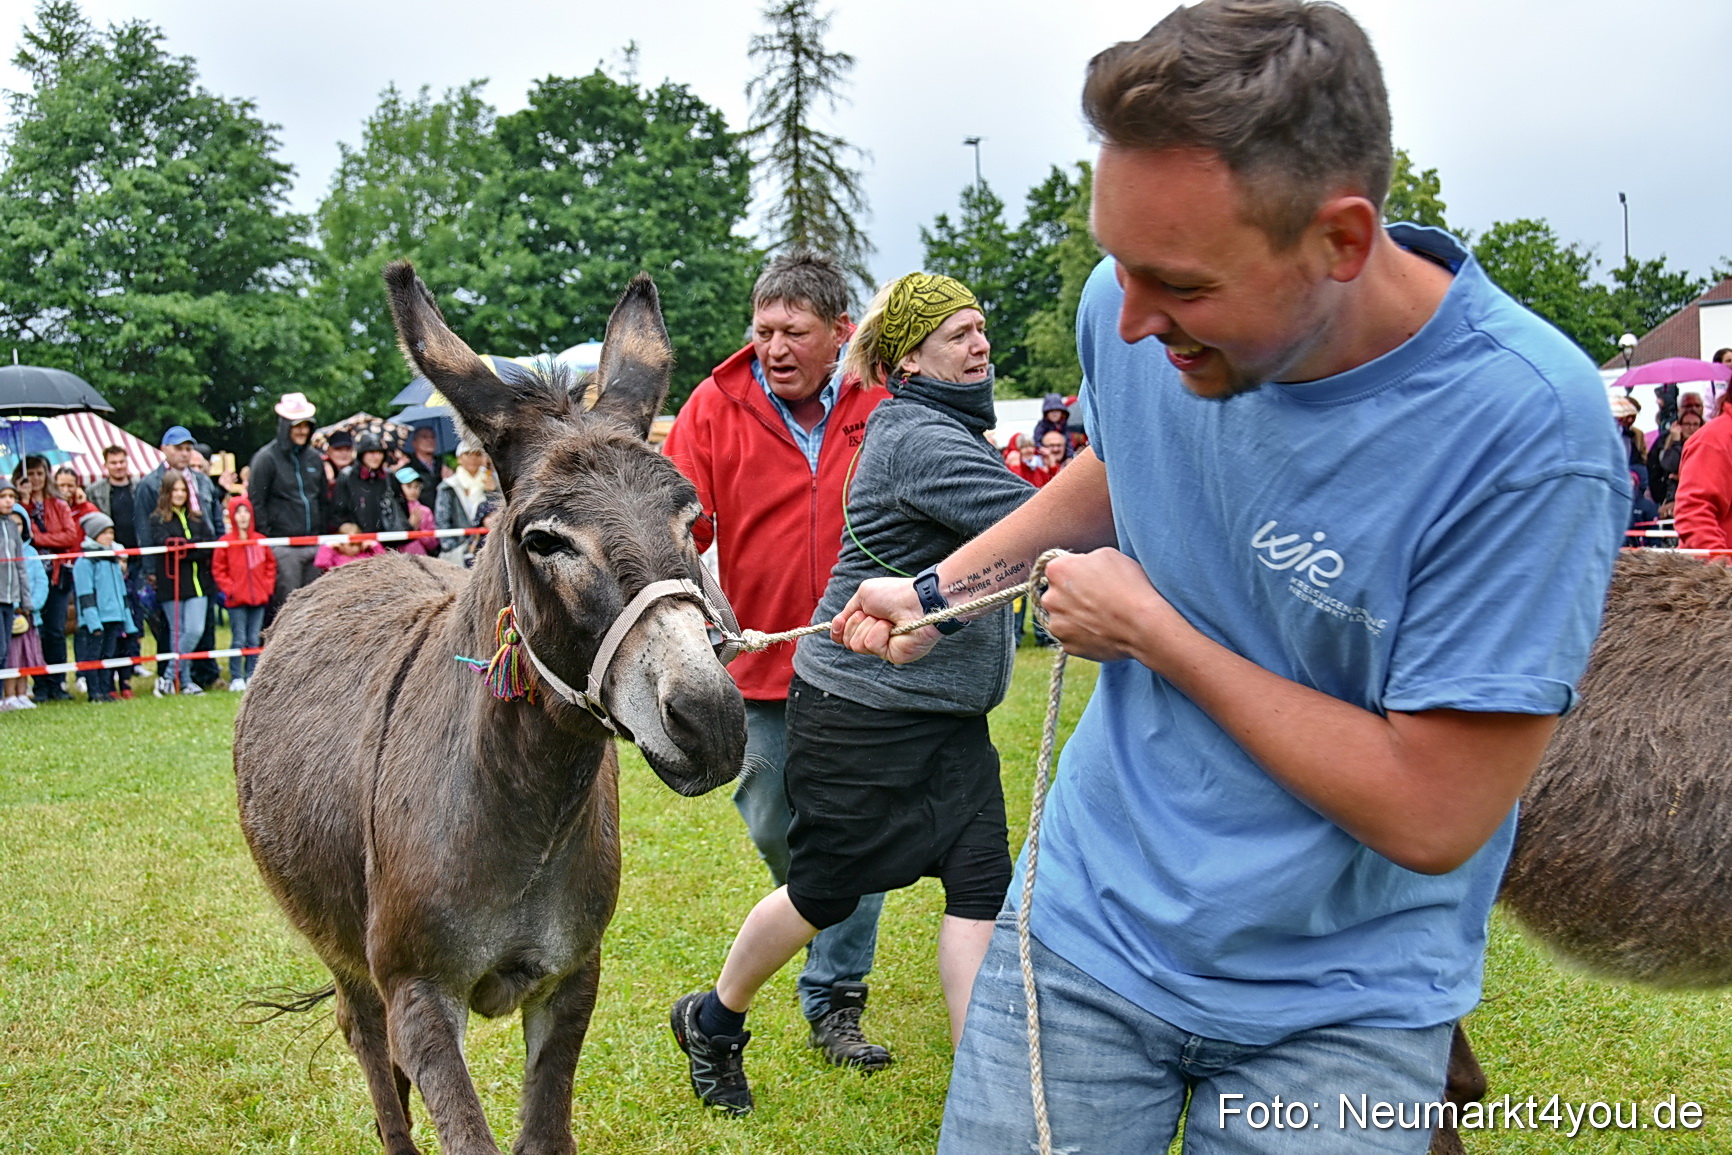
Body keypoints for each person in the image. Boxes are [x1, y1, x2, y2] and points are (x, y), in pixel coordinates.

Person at [832, 6, 1628, 1152]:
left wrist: (1156, 635)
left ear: (1340, 241)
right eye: (1117, 260)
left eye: (1181, 285)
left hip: (1343, 1004)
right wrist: (939, 591)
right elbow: (1125, 462)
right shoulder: (1132, 310)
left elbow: (1432, 810)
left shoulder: (1524, 430)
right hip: (1083, 932)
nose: (1129, 317)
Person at [669, 271, 1035, 1116]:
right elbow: (1042, 524)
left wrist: (941, 613)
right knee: (823, 888)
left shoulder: (924, 426)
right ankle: (713, 1019)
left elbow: (998, 552)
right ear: (909, 360)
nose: (980, 344)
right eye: (958, 334)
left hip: (943, 717)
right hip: (858, 711)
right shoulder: (922, 440)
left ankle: (984, 1093)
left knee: (981, 884)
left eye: (980, 328)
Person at [661, 250, 895, 1072]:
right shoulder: (714, 406)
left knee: (858, 831)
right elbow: (676, 526)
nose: (774, 346)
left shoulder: (882, 401)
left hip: (865, 661)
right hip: (761, 665)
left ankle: (836, 998)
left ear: (840, 332)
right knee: (773, 818)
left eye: (794, 331)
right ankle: (816, 906)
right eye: (763, 330)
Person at [137, 426, 225, 689]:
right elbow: (146, 531)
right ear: (164, 450)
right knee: (174, 628)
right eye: (179, 448)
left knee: (202, 625)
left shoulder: (202, 481)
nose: (185, 453)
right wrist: (150, 569)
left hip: (202, 568)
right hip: (169, 570)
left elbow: (215, 524)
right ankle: (174, 678)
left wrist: (216, 553)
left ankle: (201, 675)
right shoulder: (149, 484)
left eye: (188, 448)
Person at [249, 392, 327, 604]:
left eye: (306, 425)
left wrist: (322, 533)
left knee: (315, 604)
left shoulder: (315, 459)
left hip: (314, 542)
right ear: (285, 426)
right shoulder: (266, 458)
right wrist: (269, 540)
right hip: (283, 546)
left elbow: (322, 499)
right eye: (297, 425)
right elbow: (256, 502)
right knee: (288, 604)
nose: (302, 431)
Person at [146, 470, 215, 696]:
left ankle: (167, 677)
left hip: (197, 584)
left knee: (194, 630)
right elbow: (166, 544)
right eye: (174, 490)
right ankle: (184, 682)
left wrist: (187, 548)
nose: (179, 494)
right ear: (166, 492)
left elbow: (207, 545)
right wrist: (190, 547)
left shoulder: (197, 517)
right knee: (177, 634)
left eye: (182, 489)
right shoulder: (157, 519)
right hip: (172, 584)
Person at [20, 455, 79, 702]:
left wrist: (40, 538)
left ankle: (58, 682)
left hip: (55, 575)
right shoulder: (18, 505)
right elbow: (21, 534)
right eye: (30, 474)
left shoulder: (59, 505)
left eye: (39, 473)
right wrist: (24, 501)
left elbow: (70, 537)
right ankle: (40, 684)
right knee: (35, 630)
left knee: (55, 630)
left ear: (47, 476)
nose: (35, 479)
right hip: (30, 576)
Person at [211, 495, 275, 692]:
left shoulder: (260, 540)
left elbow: (270, 566)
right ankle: (236, 676)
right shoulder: (225, 542)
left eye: (246, 511)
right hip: (236, 600)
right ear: (232, 515)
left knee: (254, 639)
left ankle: (251, 675)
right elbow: (219, 569)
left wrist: (266, 587)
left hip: (258, 599)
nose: (243, 516)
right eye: (238, 512)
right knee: (238, 639)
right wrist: (231, 590)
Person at [72, 511, 135, 702]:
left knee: (108, 655)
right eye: (104, 533)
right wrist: (93, 622)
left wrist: (128, 621)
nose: (109, 537)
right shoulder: (85, 562)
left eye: (111, 532)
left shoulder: (113, 560)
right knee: (94, 655)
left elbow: (121, 592)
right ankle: (95, 691)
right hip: (96, 620)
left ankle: (106, 690)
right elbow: (85, 595)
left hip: (114, 617)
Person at [4, 503, 46, 712]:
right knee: (10, 658)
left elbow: (41, 581)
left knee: (26, 657)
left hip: (29, 616)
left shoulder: (31, 552)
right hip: (10, 615)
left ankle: (22, 693)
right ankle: (9, 695)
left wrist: (31, 605)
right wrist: (15, 606)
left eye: (19, 524)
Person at [331, 433, 407, 535]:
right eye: (371, 452)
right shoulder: (347, 476)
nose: (376, 457)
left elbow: (401, 506)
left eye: (379, 452)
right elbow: (338, 512)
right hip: (358, 540)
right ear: (362, 454)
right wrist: (348, 529)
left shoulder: (388, 476)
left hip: (389, 537)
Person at [0, 480, 33, 711]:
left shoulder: (13, 526)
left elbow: (20, 565)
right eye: (3, 496)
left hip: (9, 598)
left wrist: (25, 599)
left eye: (12, 496)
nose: (8, 501)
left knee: (4, 652)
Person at [434, 443, 492, 566]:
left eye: (477, 454)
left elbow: (497, 515)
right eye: (468, 454)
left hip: (488, 547)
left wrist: (492, 492)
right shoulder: (448, 486)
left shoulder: (491, 481)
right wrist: (453, 548)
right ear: (459, 459)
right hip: (458, 551)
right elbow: (442, 521)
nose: (473, 458)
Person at [395, 468, 438, 557]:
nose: (414, 490)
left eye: (417, 486)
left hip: (422, 558)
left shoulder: (425, 511)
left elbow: (433, 543)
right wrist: (409, 527)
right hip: (398, 559)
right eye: (409, 486)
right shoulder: (395, 510)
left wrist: (418, 532)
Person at [314, 522, 384, 571]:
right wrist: (328, 547)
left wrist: (375, 545)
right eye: (351, 544)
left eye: (358, 544)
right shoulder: (335, 557)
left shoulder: (366, 555)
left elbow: (382, 560)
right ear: (341, 543)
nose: (355, 548)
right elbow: (321, 563)